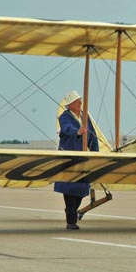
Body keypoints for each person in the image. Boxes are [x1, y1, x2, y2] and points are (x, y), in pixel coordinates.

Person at [54, 90, 99, 230]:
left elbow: (93, 135)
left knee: (81, 189)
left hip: (83, 158)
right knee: (69, 189)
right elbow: (67, 129)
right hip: (69, 159)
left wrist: (95, 154)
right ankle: (71, 220)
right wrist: (77, 132)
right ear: (71, 105)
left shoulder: (85, 117)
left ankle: (71, 211)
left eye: (80, 101)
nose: (80, 103)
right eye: (77, 101)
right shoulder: (64, 117)